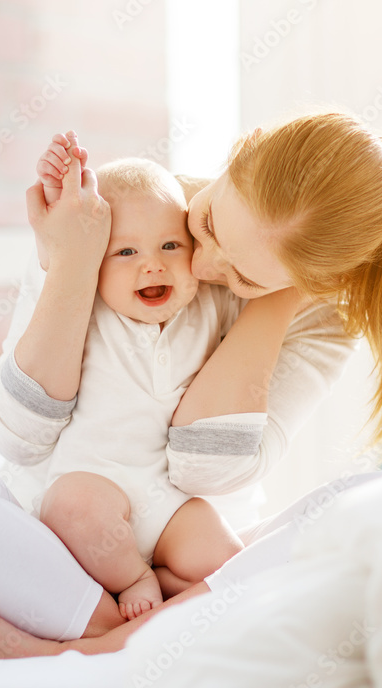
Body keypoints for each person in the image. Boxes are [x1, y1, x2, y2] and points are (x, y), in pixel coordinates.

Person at [0, 111, 382, 657]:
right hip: (54, 547)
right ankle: (134, 629)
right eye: (207, 226)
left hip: (200, 559)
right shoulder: (119, 213)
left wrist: (281, 297)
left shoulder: (323, 318)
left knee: (362, 503)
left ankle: (86, 647)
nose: (200, 267)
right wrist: (74, 261)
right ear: (240, 150)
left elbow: (203, 469)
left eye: (243, 275)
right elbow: (19, 437)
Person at [30, 146, 246, 621]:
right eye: (125, 252)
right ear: (95, 264)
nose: (152, 265)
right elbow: (57, 253)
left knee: (229, 565)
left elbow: (249, 277)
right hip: (96, 482)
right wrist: (60, 193)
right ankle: (134, 578)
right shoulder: (90, 305)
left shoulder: (209, 305)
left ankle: (161, 581)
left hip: (167, 497)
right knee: (71, 508)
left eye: (170, 246)